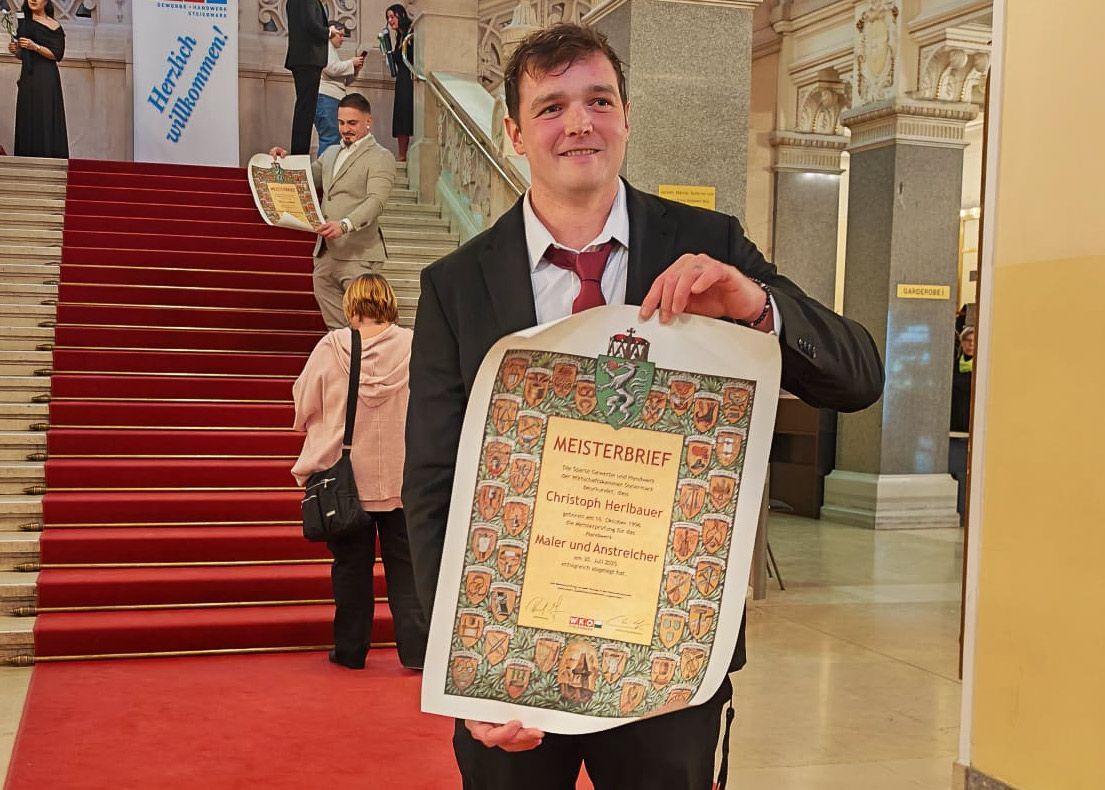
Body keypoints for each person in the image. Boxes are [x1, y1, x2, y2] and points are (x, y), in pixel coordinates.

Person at [402, 23, 884, 789]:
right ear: (515, 134)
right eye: (552, 107)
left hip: (671, 662)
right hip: (514, 662)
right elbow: (432, 484)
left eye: (599, 100)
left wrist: (756, 306)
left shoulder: (705, 244)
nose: (579, 123)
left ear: (627, 116)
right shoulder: (456, 285)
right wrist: (460, 668)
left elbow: (857, 377)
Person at [291, 273, 428, 670]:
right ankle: (416, 651)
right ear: (390, 303)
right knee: (407, 569)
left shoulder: (331, 347)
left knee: (351, 568)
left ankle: (350, 651)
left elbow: (303, 404)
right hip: (403, 477)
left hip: (346, 482)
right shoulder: (415, 345)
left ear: (351, 305)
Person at [269, 92, 398, 329]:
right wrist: (283, 162)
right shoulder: (330, 153)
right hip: (326, 255)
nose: (345, 129)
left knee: (366, 326)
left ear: (368, 121)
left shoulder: (381, 157)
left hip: (359, 255)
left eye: (352, 123)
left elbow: (376, 201)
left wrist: (345, 225)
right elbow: (306, 177)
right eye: (341, 122)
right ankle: (345, 352)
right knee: (337, 330)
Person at [6, 0, 68, 158]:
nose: (33, 0)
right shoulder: (24, 22)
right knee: (28, 113)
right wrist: (16, 50)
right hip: (28, 75)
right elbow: (23, 54)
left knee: (45, 112)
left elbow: (57, 54)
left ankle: (48, 155)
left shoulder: (54, 25)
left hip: (46, 76)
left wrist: (35, 47)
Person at [284, 0, 329, 156]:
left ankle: (299, 154)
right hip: (308, 58)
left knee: (305, 110)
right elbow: (311, 24)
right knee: (305, 111)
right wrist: (329, 32)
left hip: (304, 59)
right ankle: (299, 155)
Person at [315, 20, 363, 156]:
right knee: (330, 138)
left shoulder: (332, 50)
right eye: (340, 35)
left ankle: (329, 167)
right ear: (331, 32)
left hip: (331, 98)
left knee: (334, 139)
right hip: (326, 97)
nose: (342, 39)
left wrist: (355, 70)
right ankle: (325, 169)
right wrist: (351, 62)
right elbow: (331, 68)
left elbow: (343, 80)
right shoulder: (325, 45)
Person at [379, 4, 413, 161]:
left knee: (406, 114)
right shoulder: (400, 36)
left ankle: (403, 154)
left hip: (409, 79)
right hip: (402, 79)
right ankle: (402, 154)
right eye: (388, 18)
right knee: (401, 115)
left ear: (401, 15)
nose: (390, 20)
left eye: (392, 16)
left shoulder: (411, 32)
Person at [949, 324, 975, 524]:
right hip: (955, 423)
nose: (971, 345)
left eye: (974, 341)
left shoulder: (980, 368)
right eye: (967, 341)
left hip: (970, 423)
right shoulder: (954, 364)